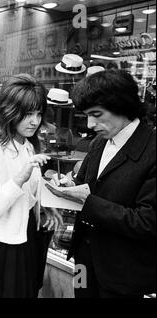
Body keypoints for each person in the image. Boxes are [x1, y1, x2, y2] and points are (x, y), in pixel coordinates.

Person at [51, 69, 156, 298]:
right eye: (87, 115)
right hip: (83, 262)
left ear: (122, 106)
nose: (89, 124)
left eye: (97, 114)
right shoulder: (99, 142)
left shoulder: (151, 149)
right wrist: (66, 184)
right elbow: (84, 183)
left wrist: (88, 202)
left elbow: (147, 222)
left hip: (123, 273)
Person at [0, 74, 62, 298]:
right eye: (28, 114)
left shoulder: (28, 146)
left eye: (39, 113)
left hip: (26, 240)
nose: (35, 121)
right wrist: (19, 179)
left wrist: (44, 206)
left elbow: (26, 198)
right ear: (10, 111)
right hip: (0, 248)